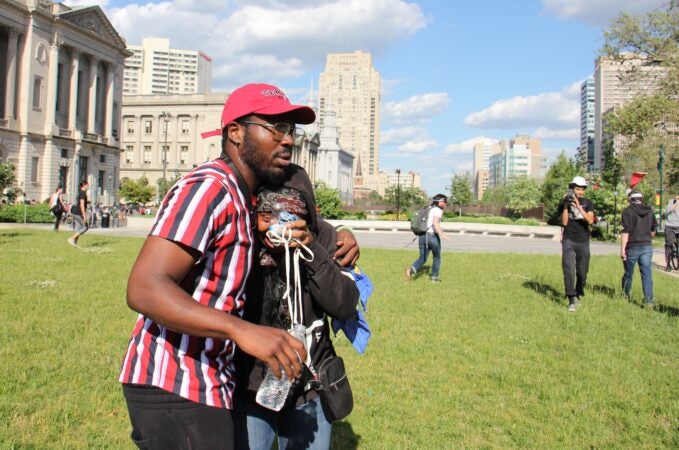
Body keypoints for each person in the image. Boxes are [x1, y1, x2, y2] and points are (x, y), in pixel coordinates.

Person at [118, 83, 359, 450]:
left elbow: (305, 217)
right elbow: (144, 287)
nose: (287, 140)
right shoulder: (209, 188)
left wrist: (334, 233)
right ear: (235, 132)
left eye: (290, 130)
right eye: (274, 127)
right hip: (174, 380)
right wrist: (242, 331)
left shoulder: (243, 195)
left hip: (209, 380)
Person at [233, 177, 359, 450]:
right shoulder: (241, 240)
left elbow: (344, 305)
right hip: (252, 386)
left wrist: (311, 247)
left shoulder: (322, 236)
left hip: (309, 385)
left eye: (289, 214)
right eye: (267, 214)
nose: (278, 225)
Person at [558, 176, 595, 312]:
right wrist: (566, 206)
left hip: (583, 240)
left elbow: (590, 220)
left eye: (582, 189)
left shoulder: (588, 203)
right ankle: (571, 299)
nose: (580, 192)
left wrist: (578, 206)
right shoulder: (564, 202)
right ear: (572, 189)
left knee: (582, 272)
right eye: (578, 189)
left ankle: (579, 292)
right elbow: (564, 222)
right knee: (568, 270)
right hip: (569, 239)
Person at [620, 191, 657, 308]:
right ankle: (649, 301)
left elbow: (626, 231)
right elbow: (653, 231)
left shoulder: (627, 211)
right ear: (641, 199)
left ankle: (625, 296)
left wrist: (622, 249)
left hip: (632, 246)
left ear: (630, 200)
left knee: (628, 273)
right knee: (647, 274)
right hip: (647, 246)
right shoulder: (650, 211)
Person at [405, 193, 449, 283]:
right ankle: (434, 278)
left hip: (422, 236)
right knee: (437, 257)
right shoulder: (437, 210)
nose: (446, 203)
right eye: (445, 201)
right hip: (432, 237)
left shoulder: (428, 208)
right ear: (440, 202)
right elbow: (436, 223)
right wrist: (442, 234)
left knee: (423, 258)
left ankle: (411, 270)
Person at [67, 181, 89, 248]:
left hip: (75, 212)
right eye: (88, 185)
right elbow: (82, 205)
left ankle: (74, 244)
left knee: (79, 228)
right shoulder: (82, 193)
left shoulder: (81, 193)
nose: (88, 186)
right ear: (84, 185)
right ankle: (72, 239)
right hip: (78, 213)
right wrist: (84, 216)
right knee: (85, 227)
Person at [664, 193, 679, 272]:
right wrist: (676, 202)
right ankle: (668, 264)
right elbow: (668, 210)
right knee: (668, 244)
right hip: (670, 226)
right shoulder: (671, 201)